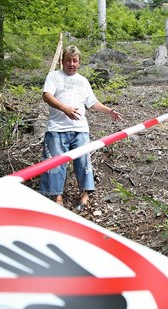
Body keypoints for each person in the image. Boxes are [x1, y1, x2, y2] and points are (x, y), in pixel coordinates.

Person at [40, 45, 122, 209]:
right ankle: (57, 197)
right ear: (62, 62)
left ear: (79, 63)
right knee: (55, 162)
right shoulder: (54, 76)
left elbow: (92, 103)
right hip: (57, 128)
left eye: (75, 61)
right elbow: (47, 96)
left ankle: (85, 195)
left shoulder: (83, 81)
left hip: (80, 129)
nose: (71, 64)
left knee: (83, 161)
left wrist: (109, 111)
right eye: (68, 60)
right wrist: (65, 108)